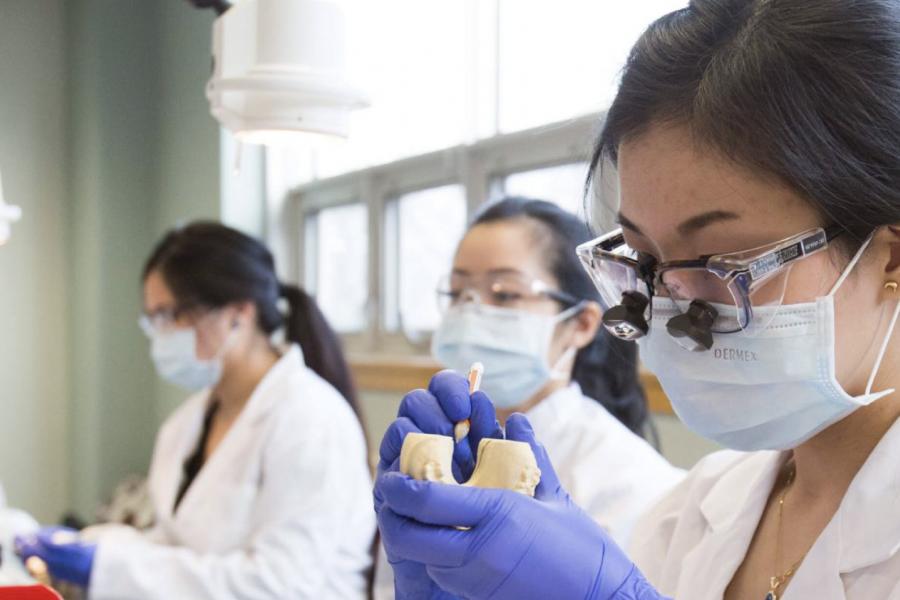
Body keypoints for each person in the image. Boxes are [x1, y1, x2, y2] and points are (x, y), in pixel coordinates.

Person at [372, 0, 900, 598]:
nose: (675, 312)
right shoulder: (693, 513)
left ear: (890, 255)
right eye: (645, 261)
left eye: (721, 262)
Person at [17, 222, 376, 599]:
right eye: (152, 320)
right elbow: (175, 545)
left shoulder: (311, 419)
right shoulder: (188, 421)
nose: (160, 336)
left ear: (237, 314)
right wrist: (97, 547)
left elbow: (280, 586)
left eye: (168, 316)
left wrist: (106, 567)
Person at [373, 197, 683, 598]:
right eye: (457, 294)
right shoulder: (436, 455)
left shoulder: (629, 480)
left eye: (504, 295)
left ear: (582, 323)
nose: (472, 313)